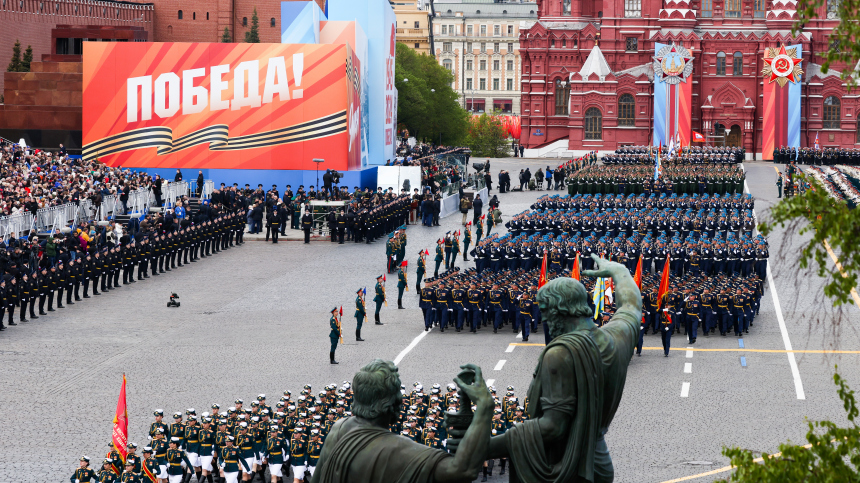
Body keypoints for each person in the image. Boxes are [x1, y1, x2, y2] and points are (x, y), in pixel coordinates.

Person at [474, 255, 642, 483]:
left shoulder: (560, 353)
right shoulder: (616, 339)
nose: (543, 319)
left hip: (565, 466)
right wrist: (620, 271)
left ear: (560, 310)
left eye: (545, 310)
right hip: (598, 462)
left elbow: (553, 428)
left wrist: (483, 448)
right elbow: (631, 305)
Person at [311, 360, 493, 483]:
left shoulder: (338, 428)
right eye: (398, 392)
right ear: (388, 402)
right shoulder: (399, 448)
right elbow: (463, 471)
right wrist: (484, 406)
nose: (402, 397)